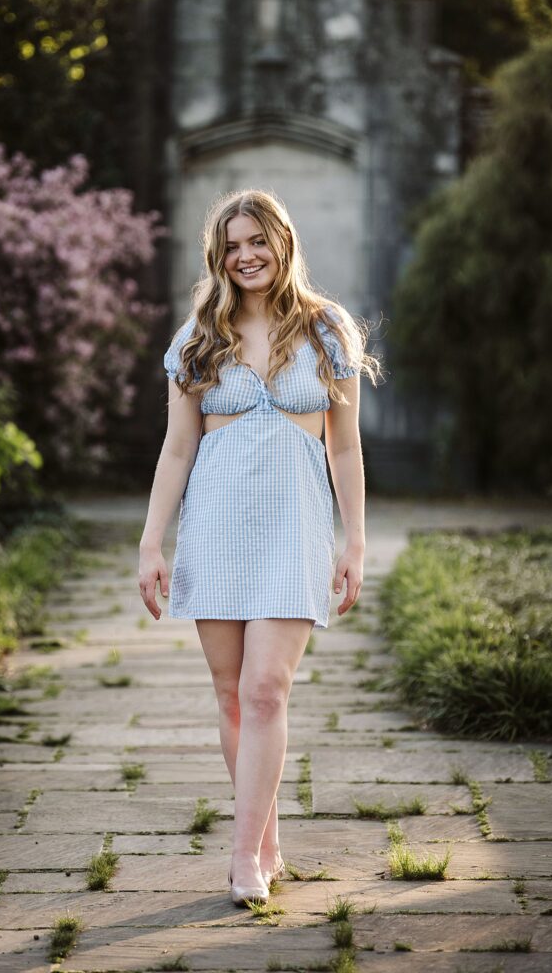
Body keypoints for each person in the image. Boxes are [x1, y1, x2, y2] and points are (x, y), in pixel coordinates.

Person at [139, 188, 382, 907]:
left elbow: (345, 451)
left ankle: (244, 857)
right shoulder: (195, 339)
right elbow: (177, 451)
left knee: (265, 689)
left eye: (258, 242)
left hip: (294, 530)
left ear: (282, 243)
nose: (246, 256)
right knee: (230, 697)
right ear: (219, 256)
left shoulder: (326, 330)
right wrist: (152, 543)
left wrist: (355, 544)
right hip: (214, 530)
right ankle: (265, 834)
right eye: (232, 246)